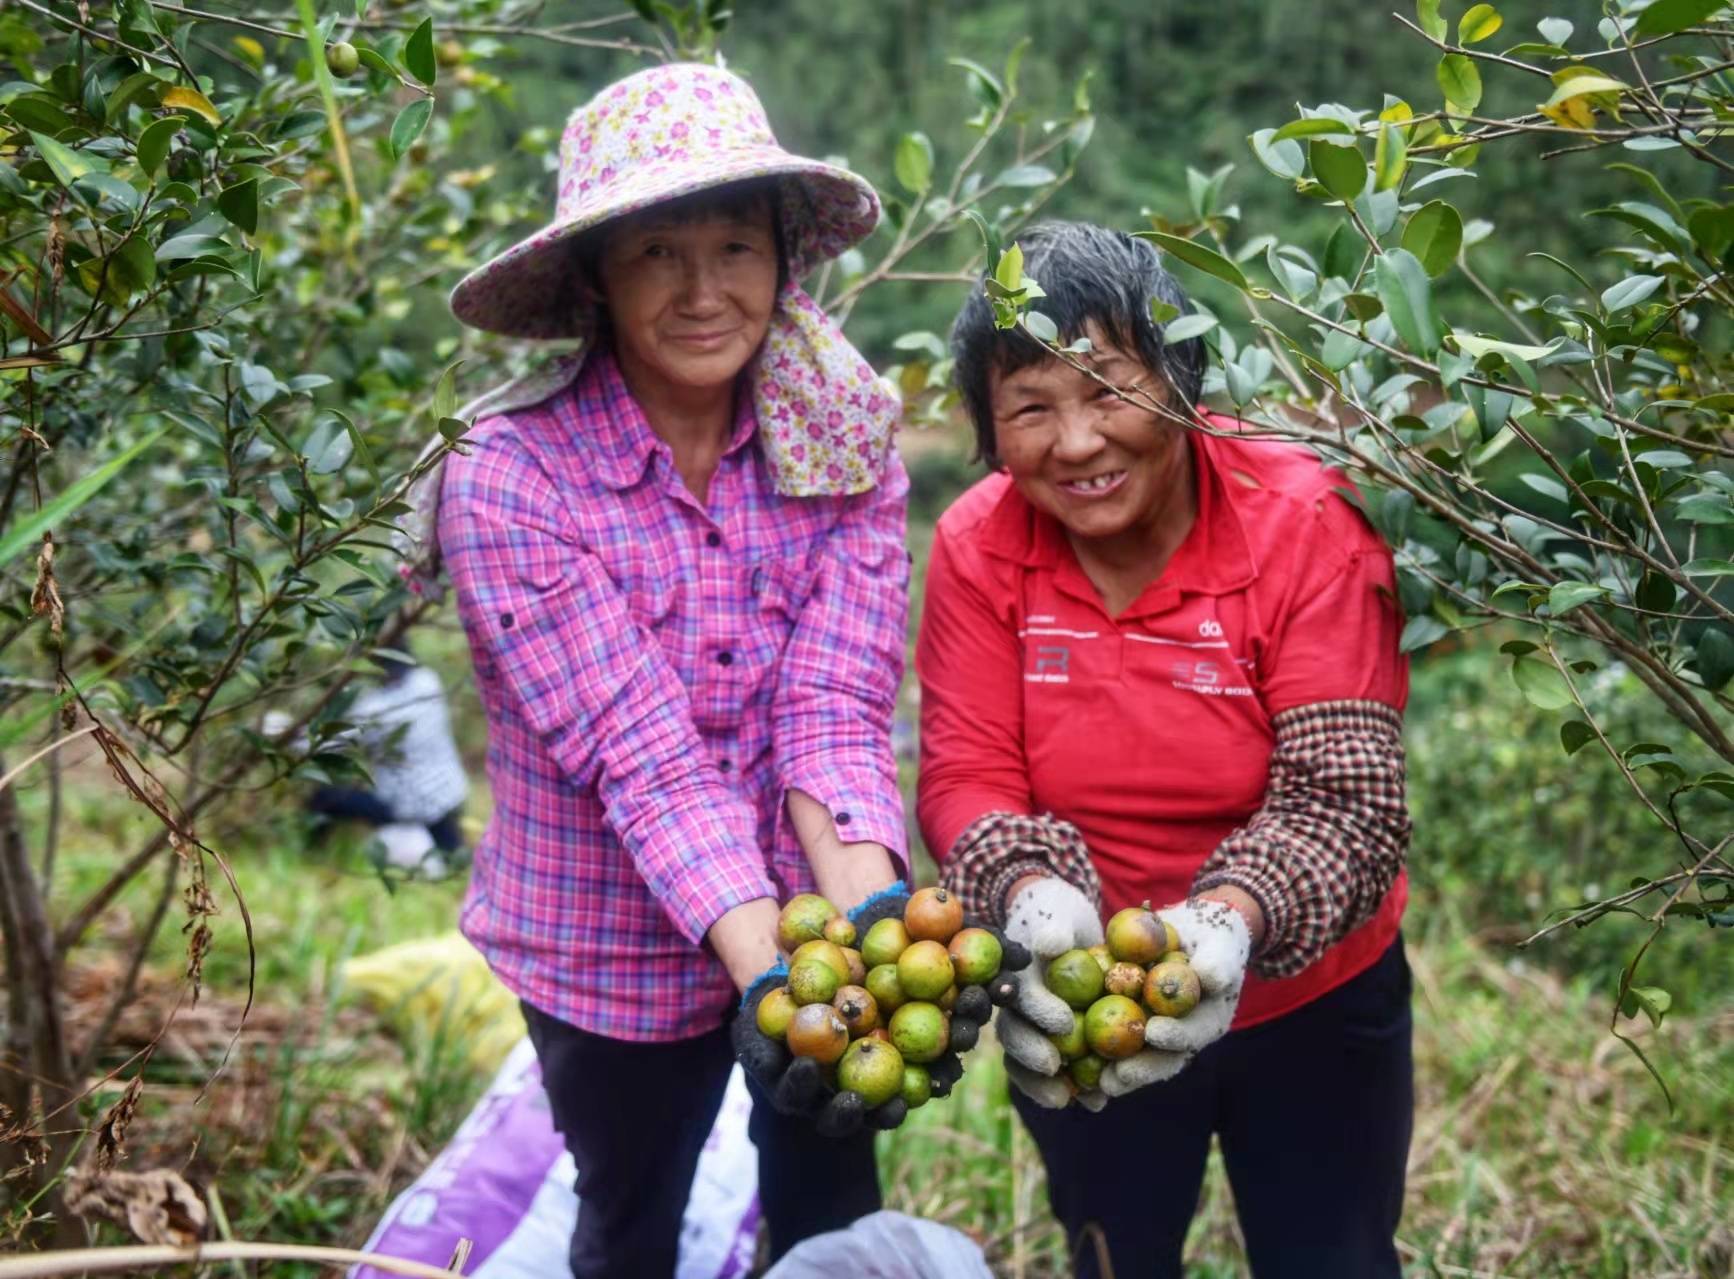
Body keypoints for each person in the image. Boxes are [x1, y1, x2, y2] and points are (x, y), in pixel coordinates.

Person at [432, 64, 910, 1278]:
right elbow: (644, 756)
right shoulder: (510, 477)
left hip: (804, 916)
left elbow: (834, 708)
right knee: (631, 1212)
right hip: (600, 942)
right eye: (658, 254)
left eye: (737, 247)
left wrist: (863, 942)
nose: (706, 292)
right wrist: (781, 991)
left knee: (832, 1208)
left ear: (783, 260)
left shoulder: (844, 449)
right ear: (597, 275)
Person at [915, 221, 1414, 1278]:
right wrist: (1032, 897)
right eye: (1031, 409)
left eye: (1109, 390)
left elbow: (1347, 797)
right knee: (1113, 1248)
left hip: (1313, 995)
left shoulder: (1303, 520)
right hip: (1086, 992)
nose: (1079, 441)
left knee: (1333, 1255)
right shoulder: (978, 542)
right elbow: (967, 773)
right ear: (989, 430)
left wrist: (1228, 921)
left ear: (1182, 382)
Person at [266, 651, 469, 873]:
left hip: (404, 806)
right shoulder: (428, 681)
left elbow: (323, 744)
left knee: (324, 800)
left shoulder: (375, 710)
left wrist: (282, 731)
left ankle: (311, 858)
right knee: (453, 858)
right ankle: (455, 860)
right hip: (449, 793)